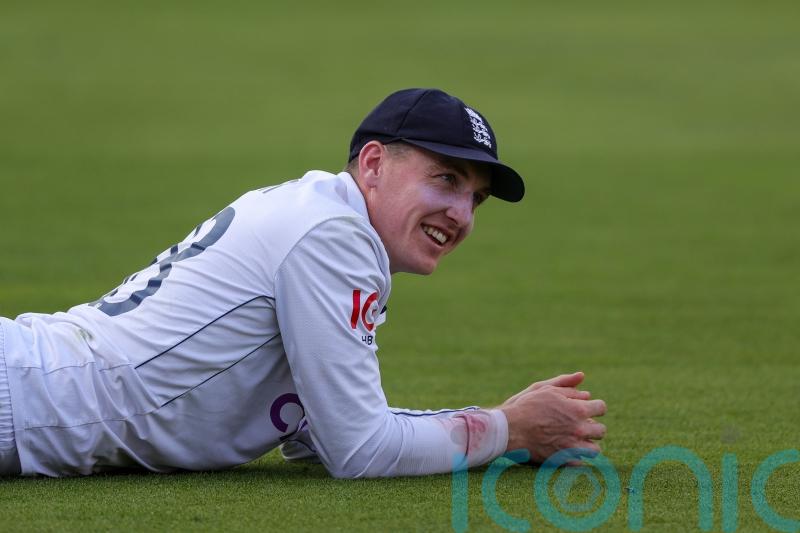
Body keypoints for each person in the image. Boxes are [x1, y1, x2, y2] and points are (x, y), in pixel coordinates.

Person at [0, 88, 606, 477]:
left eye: (475, 198)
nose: (462, 214)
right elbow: (360, 450)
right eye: (446, 180)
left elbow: (321, 433)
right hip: (20, 395)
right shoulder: (332, 237)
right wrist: (506, 428)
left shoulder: (324, 216)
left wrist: (502, 423)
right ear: (372, 165)